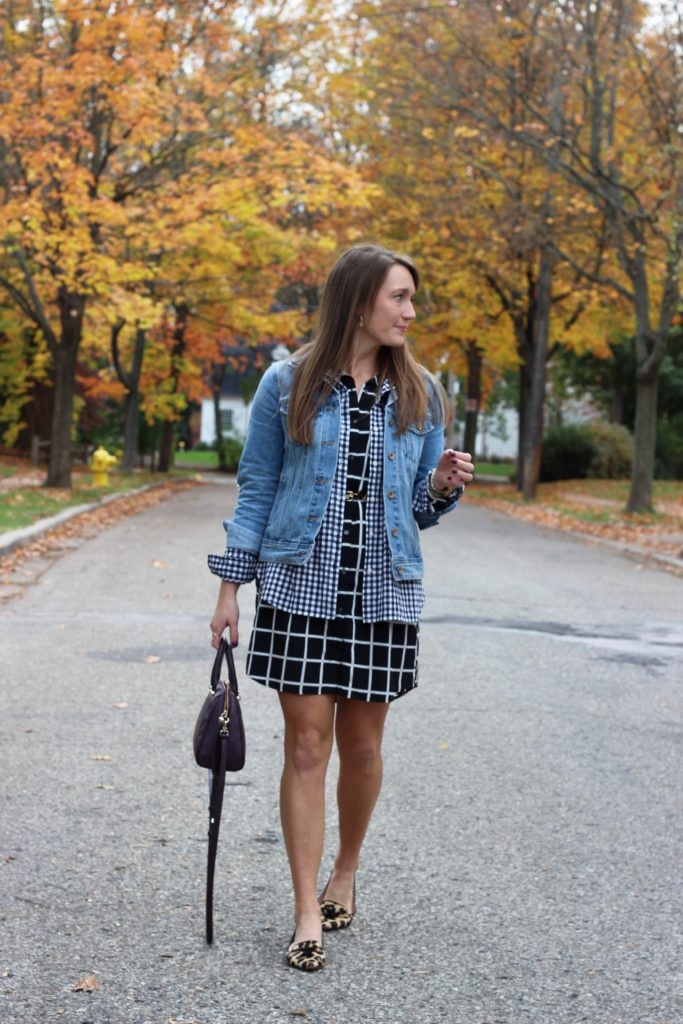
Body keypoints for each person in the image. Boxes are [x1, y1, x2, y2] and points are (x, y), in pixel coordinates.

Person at [208, 244, 474, 971]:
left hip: (383, 593)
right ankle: (303, 913)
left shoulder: (421, 393)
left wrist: (445, 487)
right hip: (300, 586)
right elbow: (256, 488)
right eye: (399, 298)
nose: (409, 312)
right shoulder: (285, 383)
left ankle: (344, 871)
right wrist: (230, 588)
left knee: (360, 749)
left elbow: (417, 508)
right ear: (358, 302)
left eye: (411, 299)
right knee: (304, 747)